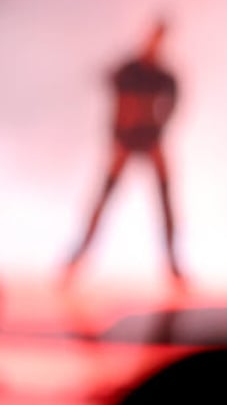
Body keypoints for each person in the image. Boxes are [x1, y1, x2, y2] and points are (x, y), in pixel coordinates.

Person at [63, 17, 185, 288]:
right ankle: (76, 258)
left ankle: (174, 264)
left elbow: (173, 106)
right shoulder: (129, 70)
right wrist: (118, 137)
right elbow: (114, 97)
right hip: (127, 140)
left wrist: (157, 128)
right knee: (104, 200)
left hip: (150, 139)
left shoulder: (164, 76)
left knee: (165, 201)